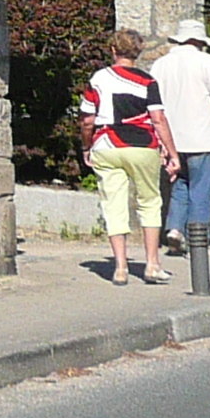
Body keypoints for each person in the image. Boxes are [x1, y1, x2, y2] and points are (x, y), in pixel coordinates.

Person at [79, 28, 173, 284]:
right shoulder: (147, 81)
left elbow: (87, 120)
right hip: (142, 146)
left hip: (106, 145)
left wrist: (86, 147)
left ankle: (120, 267)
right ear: (138, 52)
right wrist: (171, 151)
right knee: (149, 202)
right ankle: (152, 264)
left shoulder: (98, 79)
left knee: (113, 205)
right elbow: (158, 119)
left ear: (113, 50)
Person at [152, 18, 210, 255]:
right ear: (199, 41)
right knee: (201, 190)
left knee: (179, 185)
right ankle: (197, 241)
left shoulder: (161, 64)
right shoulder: (206, 61)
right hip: (200, 138)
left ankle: (175, 230)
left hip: (172, 139)